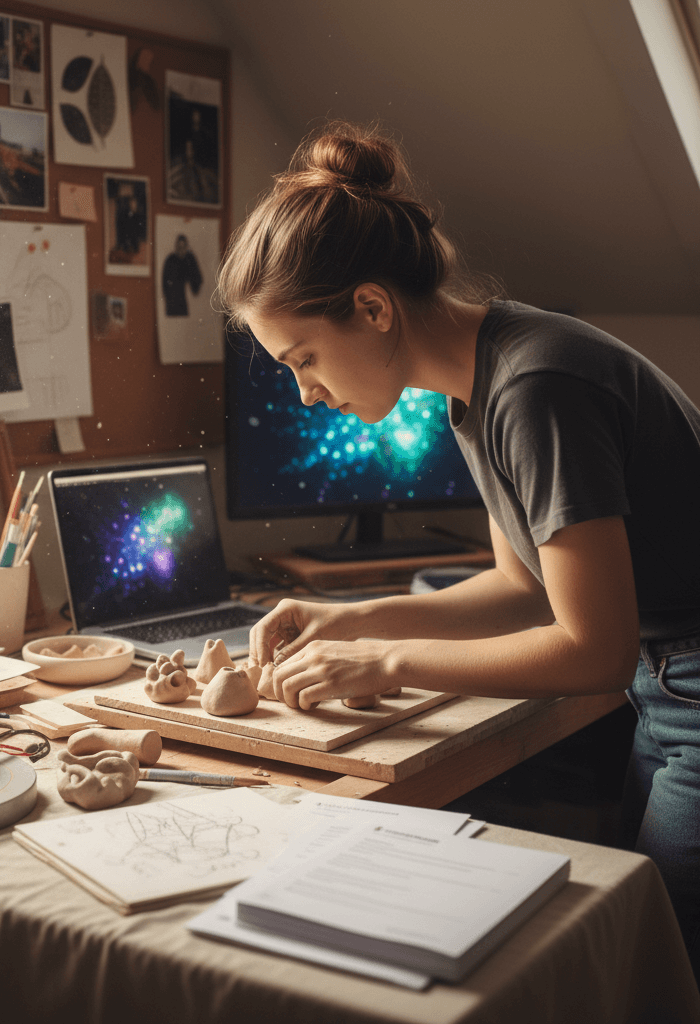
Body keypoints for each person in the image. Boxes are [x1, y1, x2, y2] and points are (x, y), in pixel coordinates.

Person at [216, 121, 700, 976]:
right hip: (665, 684)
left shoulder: (536, 388)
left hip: (681, 682)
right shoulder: (477, 388)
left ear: (371, 307)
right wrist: (350, 619)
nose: (305, 392)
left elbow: (594, 647)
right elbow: (523, 588)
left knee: (665, 964)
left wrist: (391, 664)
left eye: (304, 358)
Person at [162, 234, 203, 317]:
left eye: (183, 247)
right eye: (179, 247)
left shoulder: (190, 259)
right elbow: (165, 284)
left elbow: (197, 279)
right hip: (173, 303)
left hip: (186, 303)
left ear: (186, 247)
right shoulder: (170, 260)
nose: (181, 250)